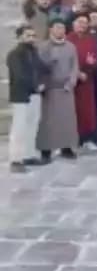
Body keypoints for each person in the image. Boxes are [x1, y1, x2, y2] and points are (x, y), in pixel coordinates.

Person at [37, 18, 79, 161]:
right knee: (48, 121)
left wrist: (71, 82)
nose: (60, 30)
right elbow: (39, 68)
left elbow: (75, 67)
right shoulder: (43, 47)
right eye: (57, 27)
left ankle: (66, 148)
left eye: (62, 27)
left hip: (66, 89)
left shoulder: (71, 47)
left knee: (67, 120)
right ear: (51, 29)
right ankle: (46, 149)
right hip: (49, 89)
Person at [7, 25, 47, 172]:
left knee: (32, 126)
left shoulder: (34, 52)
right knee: (19, 128)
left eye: (33, 35)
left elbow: (43, 68)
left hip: (35, 94)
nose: (31, 38)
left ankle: (28, 155)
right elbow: (20, 76)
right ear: (19, 37)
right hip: (21, 95)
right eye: (27, 36)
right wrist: (36, 86)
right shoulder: (15, 54)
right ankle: (15, 160)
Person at [67, 14, 97, 151]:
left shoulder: (90, 40)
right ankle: (70, 141)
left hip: (87, 81)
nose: (82, 25)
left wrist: (91, 65)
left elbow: (95, 58)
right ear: (74, 24)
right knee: (71, 112)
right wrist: (77, 73)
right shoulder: (68, 39)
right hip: (70, 81)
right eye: (80, 22)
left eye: (85, 23)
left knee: (87, 112)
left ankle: (87, 139)